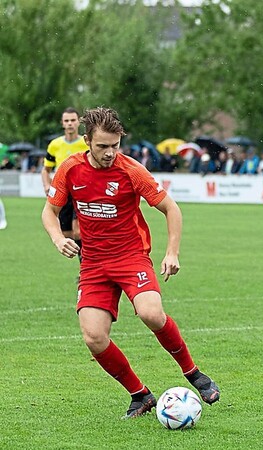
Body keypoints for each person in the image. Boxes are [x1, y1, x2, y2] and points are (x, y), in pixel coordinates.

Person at [41, 107, 220, 419]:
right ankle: (140, 395)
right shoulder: (70, 169)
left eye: (115, 145)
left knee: (151, 313)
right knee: (94, 337)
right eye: (102, 146)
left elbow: (171, 208)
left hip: (130, 256)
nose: (110, 153)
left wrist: (171, 252)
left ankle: (194, 374)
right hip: (93, 264)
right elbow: (49, 211)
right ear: (87, 141)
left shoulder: (131, 170)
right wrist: (58, 238)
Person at [42, 107, 89, 258]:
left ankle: (86, 267)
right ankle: (84, 263)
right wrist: (47, 185)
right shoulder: (55, 145)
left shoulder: (86, 142)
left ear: (78, 122)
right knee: (68, 234)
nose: (70, 124)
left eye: (73, 120)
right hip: (63, 192)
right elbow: (46, 170)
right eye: (67, 121)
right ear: (62, 123)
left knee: (78, 229)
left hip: (82, 191)